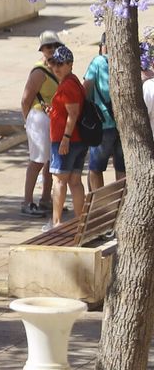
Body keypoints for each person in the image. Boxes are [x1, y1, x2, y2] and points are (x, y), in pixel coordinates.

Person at [20, 31, 64, 216]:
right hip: (39, 118)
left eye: (55, 46)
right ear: (42, 50)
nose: (52, 50)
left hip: (52, 118)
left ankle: (46, 199)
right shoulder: (39, 71)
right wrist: (27, 121)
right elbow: (25, 99)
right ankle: (27, 202)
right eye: (48, 47)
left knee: (50, 161)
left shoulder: (58, 67)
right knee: (37, 161)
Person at [47, 45, 88, 229]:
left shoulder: (67, 85)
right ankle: (80, 221)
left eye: (61, 63)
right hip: (78, 139)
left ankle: (57, 222)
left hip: (67, 140)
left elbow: (73, 113)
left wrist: (65, 138)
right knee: (74, 181)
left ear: (70, 64)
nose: (56, 67)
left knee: (60, 180)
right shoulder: (73, 81)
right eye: (54, 62)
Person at [84, 35, 126, 190]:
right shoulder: (126, 59)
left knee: (96, 168)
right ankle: (121, 203)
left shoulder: (98, 61)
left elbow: (86, 88)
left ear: (103, 45)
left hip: (103, 124)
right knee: (121, 168)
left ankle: (98, 206)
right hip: (124, 125)